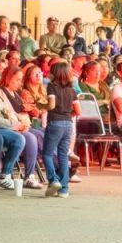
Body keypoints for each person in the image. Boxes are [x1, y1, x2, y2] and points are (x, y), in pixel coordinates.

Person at [42, 60, 77, 197]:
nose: (48, 74)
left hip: (55, 122)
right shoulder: (72, 90)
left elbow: (51, 105)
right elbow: (78, 110)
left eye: (50, 72)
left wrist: (40, 106)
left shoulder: (52, 87)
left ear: (55, 74)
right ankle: (64, 189)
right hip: (68, 124)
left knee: (47, 153)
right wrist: (66, 114)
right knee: (63, 156)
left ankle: (53, 179)